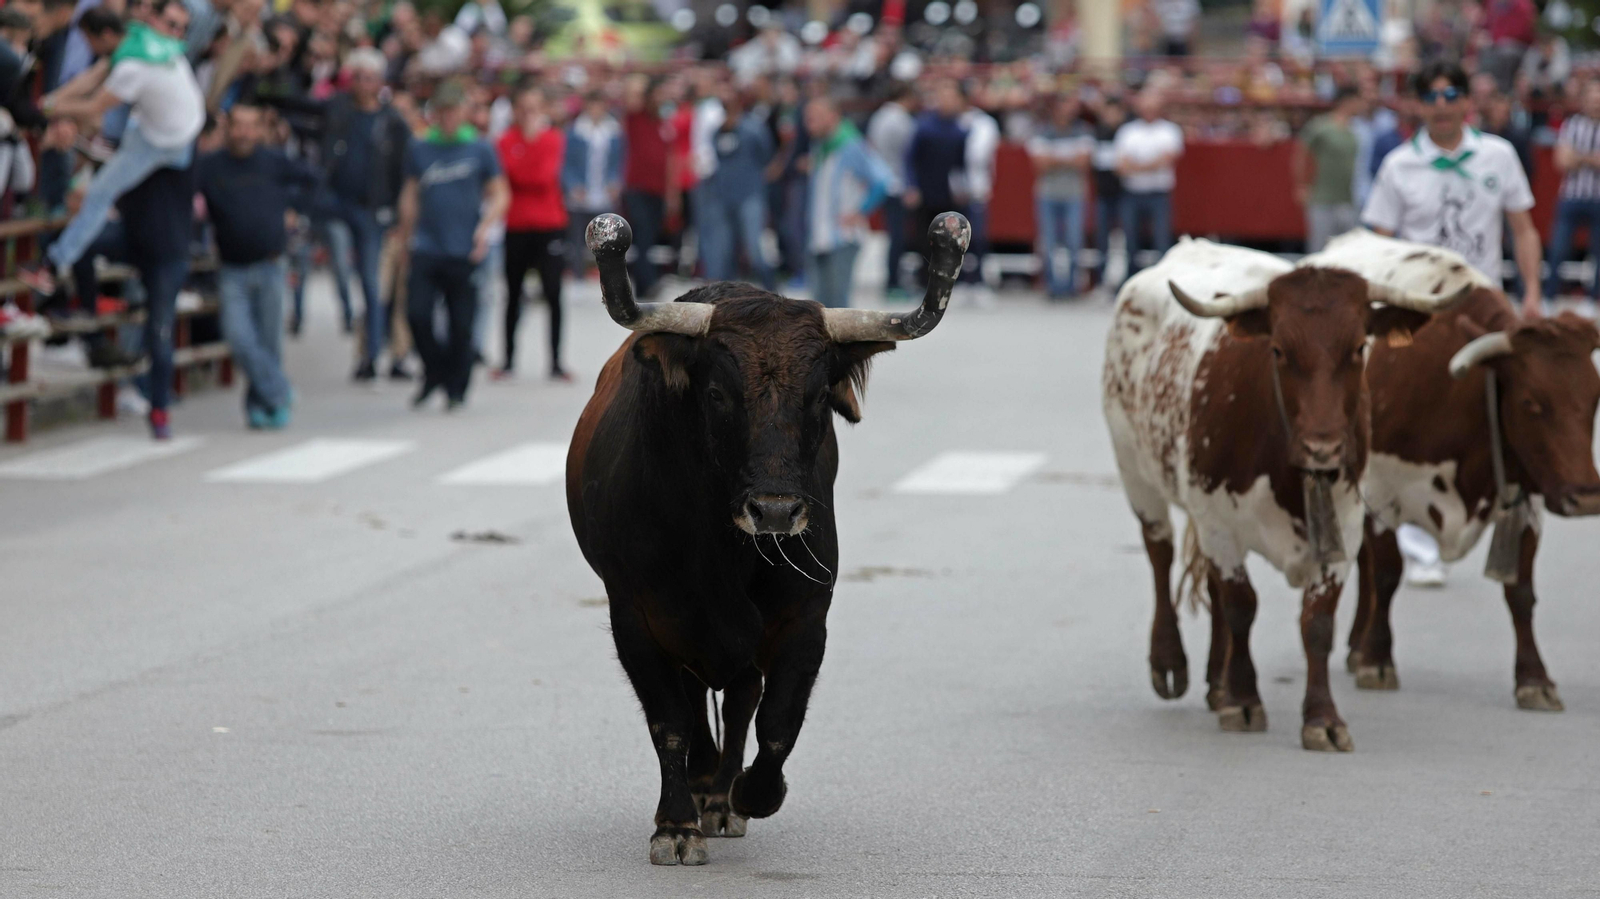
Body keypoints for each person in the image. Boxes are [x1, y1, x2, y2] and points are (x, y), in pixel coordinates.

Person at [1363, 60, 1542, 587]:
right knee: (1415, 416)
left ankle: (1514, 508)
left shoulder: (1498, 155)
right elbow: (1379, 239)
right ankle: (1417, 540)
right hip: (1420, 304)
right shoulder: (1399, 165)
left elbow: (1523, 228)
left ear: (1468, 100)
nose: (1443, 104)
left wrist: (1530, 293)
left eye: (1452, 93)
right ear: (1418, 104)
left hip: (1483, 299)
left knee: (1516, 400)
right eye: (1432, 95)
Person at [21, 0, 203, 295]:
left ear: (105, 35)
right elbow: (91, 78)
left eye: (90, 41)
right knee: (111, 159)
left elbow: (94, 107)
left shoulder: (132, 68)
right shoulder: (135, 36)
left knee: (99, 194)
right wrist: (50, 102)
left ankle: (53, 266)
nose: (89, 49)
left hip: (165, 141)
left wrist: (48, 108)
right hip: (168, 123)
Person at [197, 104, 317, 429]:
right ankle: (279, 390)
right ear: (228, 128)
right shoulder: (210, 166)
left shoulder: (274, 161)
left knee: (268, 341)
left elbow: (313, 181)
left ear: (260, 130)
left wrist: (294, 208)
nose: (244, 133)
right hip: (232, 268)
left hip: (271, 264)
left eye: (252, 126)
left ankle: (262, 408)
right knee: (239, 338)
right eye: (238, 126)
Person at [396, 79, 508, 411]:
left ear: (463, 112)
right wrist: (405, 237)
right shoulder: (420, 148)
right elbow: (410, 195)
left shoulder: (479, 148)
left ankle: (456, 387)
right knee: (416, 314)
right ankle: (433, 371)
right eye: (441, 111)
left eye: (453, 110)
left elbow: (500, 193)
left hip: (464, 248)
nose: (447, 117)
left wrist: (484, 230)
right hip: (427, 246)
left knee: (462, 326)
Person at [496, 85, 568, 380]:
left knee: (553, 293)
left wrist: (525, 157)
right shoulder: (504, 141)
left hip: (549, 224)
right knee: (513, 293)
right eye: (523, 108)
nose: (528, 115)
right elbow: (511, 174)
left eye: (534, 108)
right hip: (516, 225)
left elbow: (541, 177)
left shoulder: (553, 140)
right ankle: (508, 360)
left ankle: (555, 362)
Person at [802, 95, 891, 309]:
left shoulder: (851, 145)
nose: (809, 124)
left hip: (842, 236)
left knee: (837, 306)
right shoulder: (821, 146)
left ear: (832, 117)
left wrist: (861, 211)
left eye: (815, 118)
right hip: (819, 234)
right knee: (817, 306)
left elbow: (882, 181)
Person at [695, 86, 774, 289]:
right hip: (722, 196)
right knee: (724, 248)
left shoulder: (754, 128)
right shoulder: (717, 131)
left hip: (749, 196)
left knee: (754, 246)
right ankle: (727, 292)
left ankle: (771, 287)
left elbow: (766, 157)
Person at [1027, 92, 1093, 299]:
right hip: (1048, 193)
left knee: (1074, 240)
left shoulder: (1083, 131)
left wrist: (1054, 158)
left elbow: (1083, 162)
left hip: (1073, 193)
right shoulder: (1042, 132)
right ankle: (1053, 286)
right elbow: (1040, 164)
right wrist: (1069, 159)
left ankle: (1072, 286)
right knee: (1048, 242)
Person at [1113, 90, 1183, 284]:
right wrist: (1151, 164)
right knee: (1130, 241)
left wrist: (1136, 166)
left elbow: (1167, 160)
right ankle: (1131, 281)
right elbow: (1121, 166)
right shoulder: (1128, 131)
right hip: (1132, 194)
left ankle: (1162, 282)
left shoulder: (1169, 130)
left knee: (1162, 241)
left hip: (1159, 194)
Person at [904, 79, 968, 285]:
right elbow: (910, 159)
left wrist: (961, 187)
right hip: (925, 191)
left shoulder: (959, 130)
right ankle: (924, 279)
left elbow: (960, 164)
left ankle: (945, 279)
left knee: (947, 239)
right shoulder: (924, 127)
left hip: (947, 193)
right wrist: (912, 186)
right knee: (924, 238)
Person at [1544, 80, 1600, 310]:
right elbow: (1562, 161)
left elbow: (1571, 158)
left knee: (1598, 252)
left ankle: (1593, 300)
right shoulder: (1572, 124)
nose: (1596, 104)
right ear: (1584, 101)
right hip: (1571, 196)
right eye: (1592, 99)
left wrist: (1578, 157)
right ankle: (1548, 297)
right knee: (1558, 248)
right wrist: (1591, 159)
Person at [620, 75, 677, 299]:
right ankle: (649, 281)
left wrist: (672, 193)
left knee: (650, 237)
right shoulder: (635, 118)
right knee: (642, 234)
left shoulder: (664, 124)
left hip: (658, 190)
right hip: (637, 188)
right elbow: (629, 95)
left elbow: (670, 159)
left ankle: (644, 285)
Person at [561, 90, 624, 277]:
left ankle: (607, 273)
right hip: (581, 191)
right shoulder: (575, 131)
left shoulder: (614, 131)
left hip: (604, 190)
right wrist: (572, 184)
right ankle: (578, 272)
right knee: (578, 236)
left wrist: (615, 182)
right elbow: (566, 162)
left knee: (606, 236)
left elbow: (619, 161)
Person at [1293, 86, 1362, 253]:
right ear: (1347, 102)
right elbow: (1301, 154)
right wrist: (1301, 185)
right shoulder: (1321, 126)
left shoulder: (1358, 128)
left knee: (1348, 250)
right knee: (1320, 249)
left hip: (1348, 199)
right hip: (1322, 198)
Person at [866, 81, 917, 298]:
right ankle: (893, 282)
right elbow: (909, 157)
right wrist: (910, 186)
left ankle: (893, 280)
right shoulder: (902, 121)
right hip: (897, 183)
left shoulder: (878, 117)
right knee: (898, 235)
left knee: (893, 234)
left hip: (883, 181)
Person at [1088, 96, 1126, 293]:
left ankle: (1124, 282)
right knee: (1101, 240)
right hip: (1103, 194)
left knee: (1125, 240)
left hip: (1125, 194)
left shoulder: (1127, 132)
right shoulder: (1098, 132)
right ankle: (1102, 281)